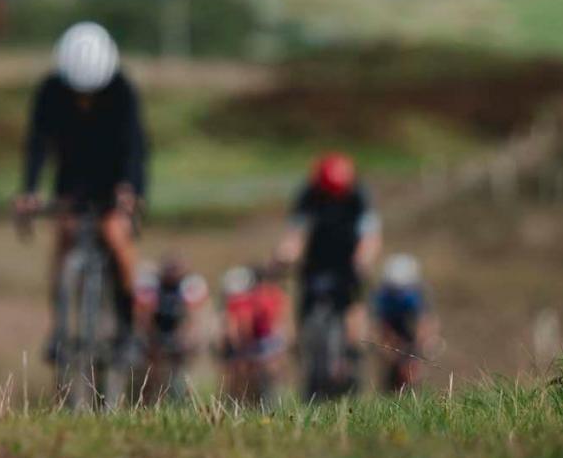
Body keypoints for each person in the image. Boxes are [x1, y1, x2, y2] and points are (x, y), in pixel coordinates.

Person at [13, 22, 147, 334]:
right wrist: (29, 190)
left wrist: (129, 187)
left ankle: (128, 327)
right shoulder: (49, 90)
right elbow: (37, 144)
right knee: (64, 236)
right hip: (71, 175)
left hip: (116, 176)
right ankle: (59, 326)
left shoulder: (123, 90)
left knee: (115, 235)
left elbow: (134, 146)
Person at [275, 152, 382, 389]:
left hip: (348, 262)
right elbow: (295, 232)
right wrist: (286, 254)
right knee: (303, 310)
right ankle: (308, 367)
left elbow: (370, 235)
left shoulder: (359, 195)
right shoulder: (308, 195)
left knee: (354, 307)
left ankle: (353, 354)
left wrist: (364, 259)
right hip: (315, 262)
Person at [135, 256, 208, 401]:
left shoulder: (189, 285)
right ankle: (149, 400)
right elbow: (145, 316)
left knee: (180, 374)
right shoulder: (153, 286)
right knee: (152, 373)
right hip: (157, 332)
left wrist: (188, 339)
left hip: (179, 333)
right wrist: (150, 340)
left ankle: (181, 400)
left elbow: (193, 317)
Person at [216, 264, 287, 404]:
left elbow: (272, 325)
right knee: (241, 376)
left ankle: (258, 402)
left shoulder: (271, 297)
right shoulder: (243, 300)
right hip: (250, 342)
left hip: (260, 341)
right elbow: (238, 326)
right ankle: (240, 402)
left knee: (258, 376)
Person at [369, 253, 436, 393]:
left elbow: (426, 325)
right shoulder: (381, 296)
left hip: (411, 330)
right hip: (391, 329)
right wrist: (388, 352)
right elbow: (379, 328)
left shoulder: (420, 294)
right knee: (390, 374)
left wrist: (419, 352)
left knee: (413, 370)